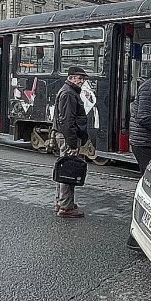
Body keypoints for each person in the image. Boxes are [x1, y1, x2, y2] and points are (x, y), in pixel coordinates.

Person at [52, 66, 90, 218]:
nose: (82, 81)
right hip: (67, 136)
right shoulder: (68, 93)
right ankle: (66, 207)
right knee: (68, 171)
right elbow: (68, 121)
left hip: (64, 135)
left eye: (83, 79)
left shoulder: (68, 91)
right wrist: (73, 144)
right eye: (79, 78)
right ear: (71, 78)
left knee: (64, 170)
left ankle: (61, 202)